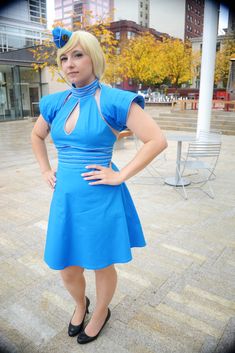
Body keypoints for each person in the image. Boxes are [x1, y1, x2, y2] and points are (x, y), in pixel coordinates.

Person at [31, 27, 167, 345]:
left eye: (77, 55)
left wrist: (120, 175)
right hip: (65, 199)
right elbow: (37, 136)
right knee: (68, 267)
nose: (69, 63)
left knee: (101, 263)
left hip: (100, 198)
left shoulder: (114, 100)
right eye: (64, 58)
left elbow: (156, 140)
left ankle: (101, 311)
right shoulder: (55, 102)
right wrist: (45, 169)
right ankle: (81, 305)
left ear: (94, 57)